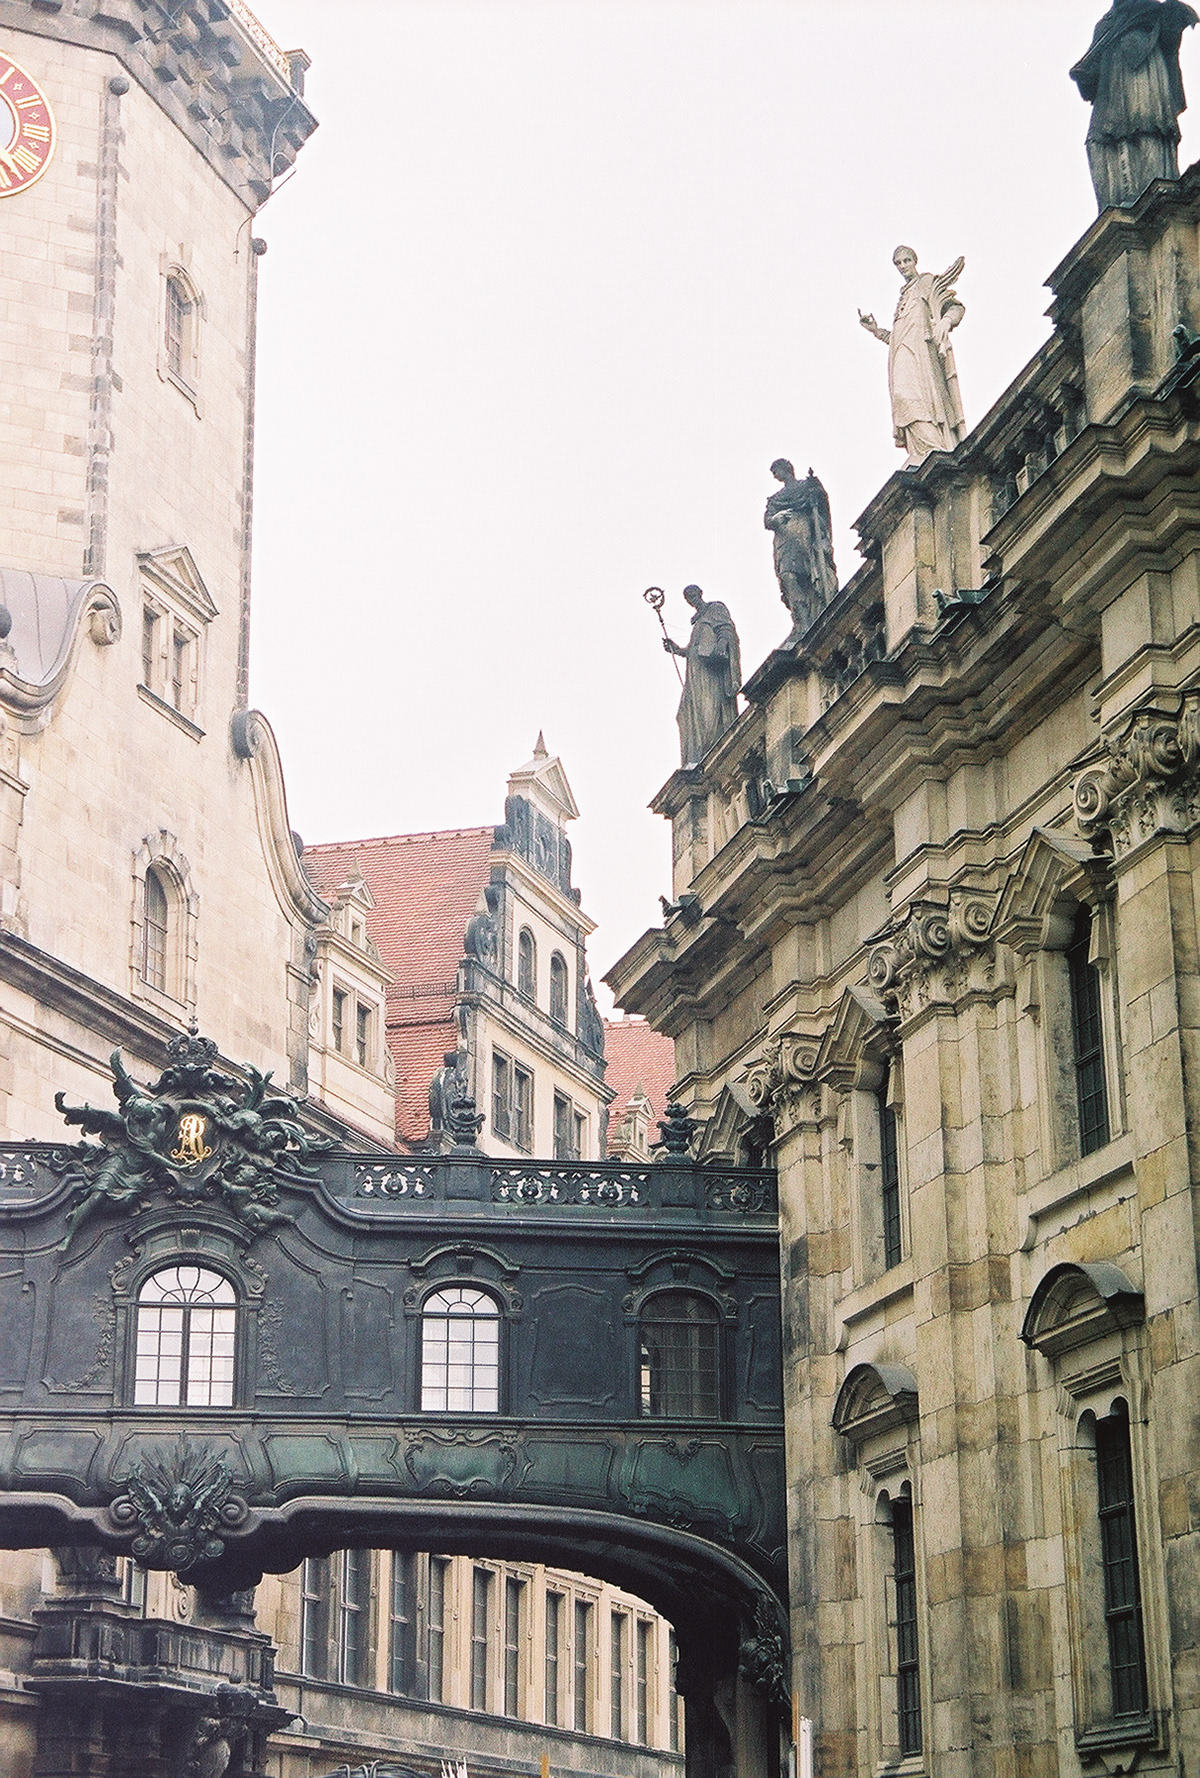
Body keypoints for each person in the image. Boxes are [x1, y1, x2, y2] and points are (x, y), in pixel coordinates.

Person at [1071, 0, 1198, 209]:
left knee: (1144, 126)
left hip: (1141, 73)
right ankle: (1119, 198)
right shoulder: (1106, 23)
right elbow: (1091, 72)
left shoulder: (1152, 11)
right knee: (1099, 141)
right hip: (1112, 86)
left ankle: (1151, 192)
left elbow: (1169, 41)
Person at [859, 247, 966, 467]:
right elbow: (897, 337)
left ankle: (933, 444)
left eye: (907, 260)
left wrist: (946, 322)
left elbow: (955, 307)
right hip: (902, 353)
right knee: (902, 398)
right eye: (898, 263)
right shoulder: (903, 296)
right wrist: (876, 330)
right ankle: (922, 448)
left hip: (922, 356)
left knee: (911, 397)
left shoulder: (925, 283)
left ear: (915, 260)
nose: (903, 266)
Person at [662, 585, 741, 767]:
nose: (691, 599)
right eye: (688, 598)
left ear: (700, 593)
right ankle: (696, 754)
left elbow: (726, 629)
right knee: (685, 712)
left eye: (692, 595)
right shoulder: (697, 622)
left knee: (709, 707)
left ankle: (710, 746)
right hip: (695, 671)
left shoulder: (715, 608)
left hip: (710, 670)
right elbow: (692, 649)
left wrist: (721, 646)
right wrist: (676, 649)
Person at [764, 460, 839, 640]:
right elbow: (767, 521)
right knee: (787, 576)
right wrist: (776, 518)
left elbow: (822, 510)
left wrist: (817, 495)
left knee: (807, 574)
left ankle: (816, 610)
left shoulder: (807, 486)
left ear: (786, 469)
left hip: (804, 533)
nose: (774, 475)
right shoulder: (775, 499)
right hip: (783, 540)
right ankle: (801, 621)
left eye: (776, 471)